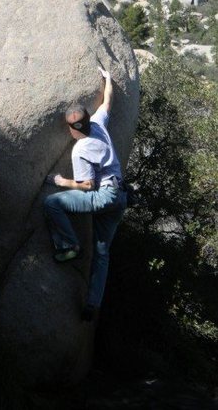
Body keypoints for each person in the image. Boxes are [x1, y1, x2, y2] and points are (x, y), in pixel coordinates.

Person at [44, 67, 127, 321]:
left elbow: (87, 186)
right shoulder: (99, 124)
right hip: (120, 198)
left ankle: (70, 244)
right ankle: (92, 305)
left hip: (102, 196)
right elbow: (108, 101)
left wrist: (60, 181)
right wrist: (108, 79)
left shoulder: (79, 149)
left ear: (72, 128)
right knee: (102, 254)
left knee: (51, 204)